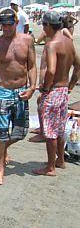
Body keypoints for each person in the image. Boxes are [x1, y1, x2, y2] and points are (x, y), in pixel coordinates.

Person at [0, 9, 37, 185]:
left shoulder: (27, 40)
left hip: (21, 90)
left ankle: (3, 149)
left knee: (21, 132)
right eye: (2, 25)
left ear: (15, 23)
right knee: (0, 133)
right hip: (2, 91)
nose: (5, 28)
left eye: (8, 24)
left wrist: (32, 88)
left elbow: (32, 66)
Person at [33, 11, 80, 177]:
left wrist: (46, 87)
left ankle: (50, 167)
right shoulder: (68, 42)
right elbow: (78, 66)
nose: (43, 28)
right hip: (63, 91)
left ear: (47, 25)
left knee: (50, 132)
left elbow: (51, 70)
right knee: (59, 129)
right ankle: (60, 160)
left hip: (53, 91)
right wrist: (71, 85)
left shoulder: (52, 44)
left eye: (43, 25)